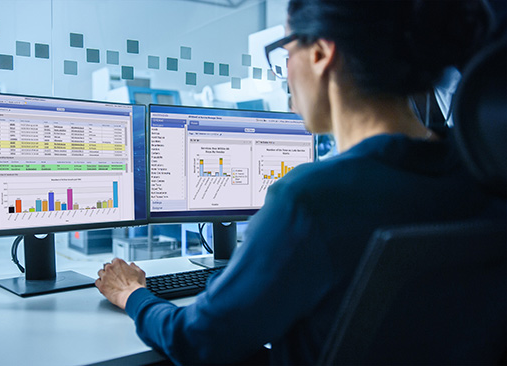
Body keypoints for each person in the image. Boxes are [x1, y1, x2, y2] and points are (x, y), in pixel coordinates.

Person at [96, 0, 505, 364]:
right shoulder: (483, 177)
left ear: (321, 52)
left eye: (285, 52)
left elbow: (199, 342)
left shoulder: (309, 201)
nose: (284, 73)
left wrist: (134, 295)